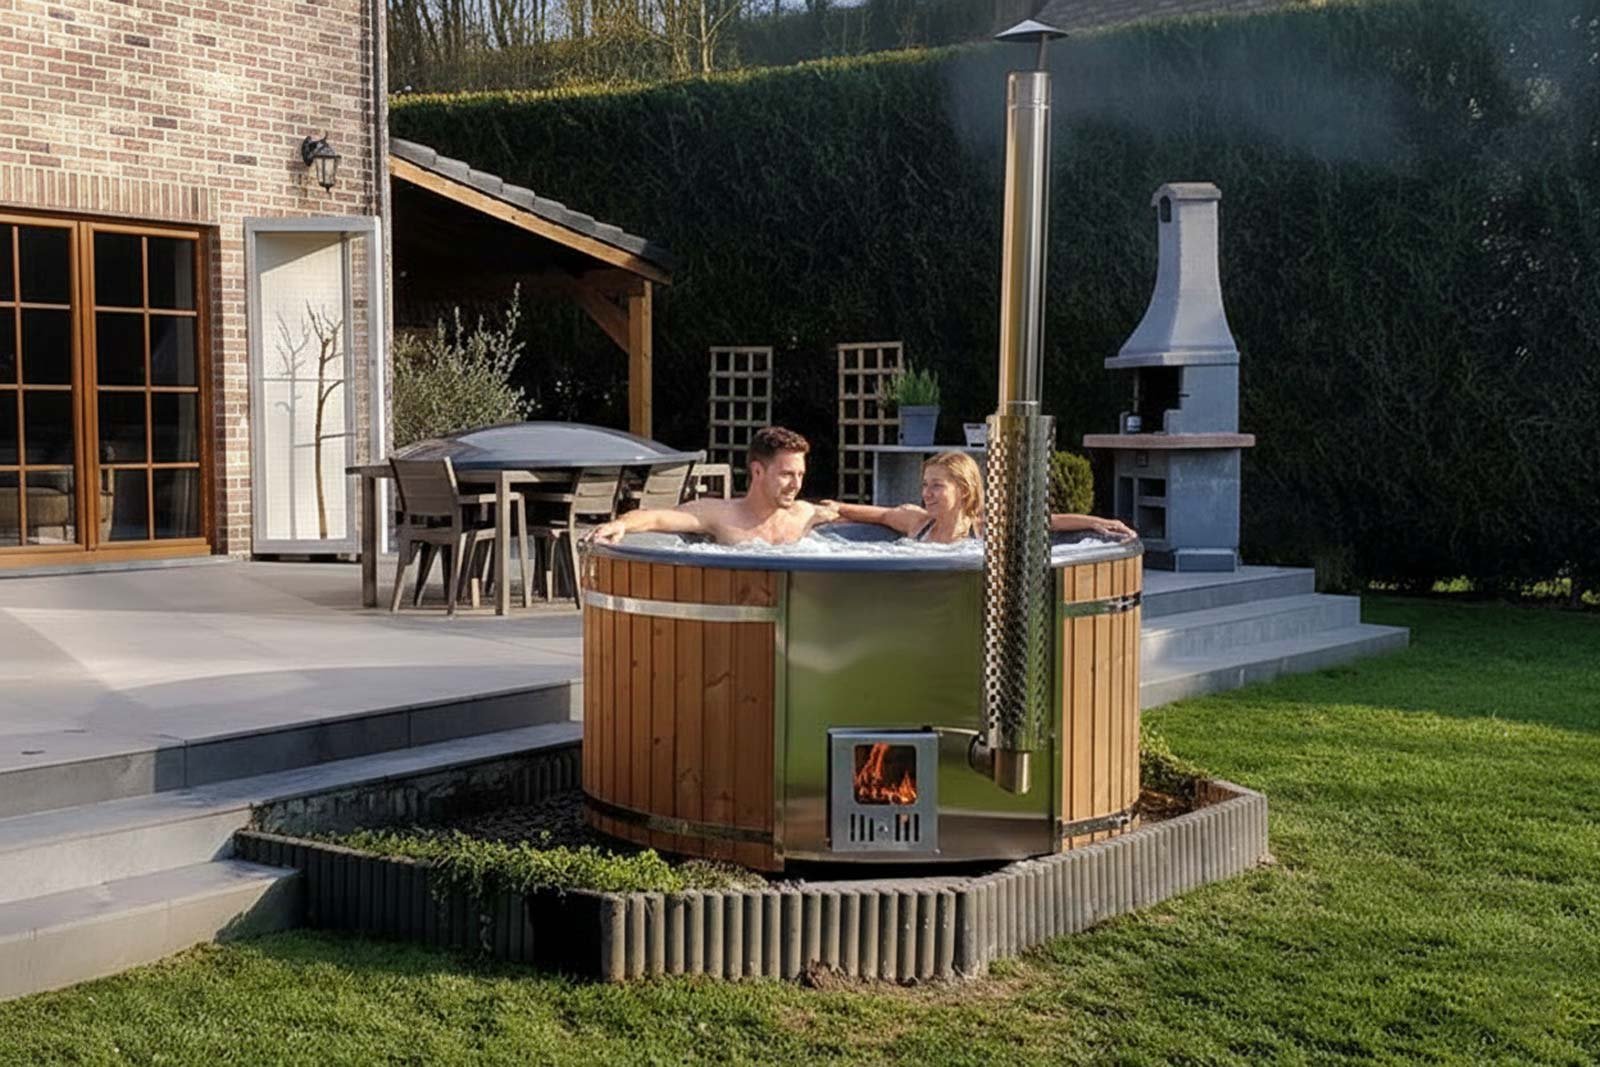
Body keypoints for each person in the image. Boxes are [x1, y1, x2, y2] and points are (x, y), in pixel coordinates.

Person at [588, 426, 838, 545]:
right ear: (757, 471)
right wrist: (620, 524)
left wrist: (867, 514)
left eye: (800, 475)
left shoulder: (803, 513)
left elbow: (841, 511)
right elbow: (656, 517)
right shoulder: (721, 514)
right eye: (787, 474)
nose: (796, 484)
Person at [821, 450, 1136, 545]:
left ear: (963, 490)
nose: (926, 493)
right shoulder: (917, 523)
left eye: (937, 486)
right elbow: (880, 514)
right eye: (925, 484)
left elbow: (1046, 522)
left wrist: (1097, 522)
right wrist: (836, 509)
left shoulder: (982, 528)